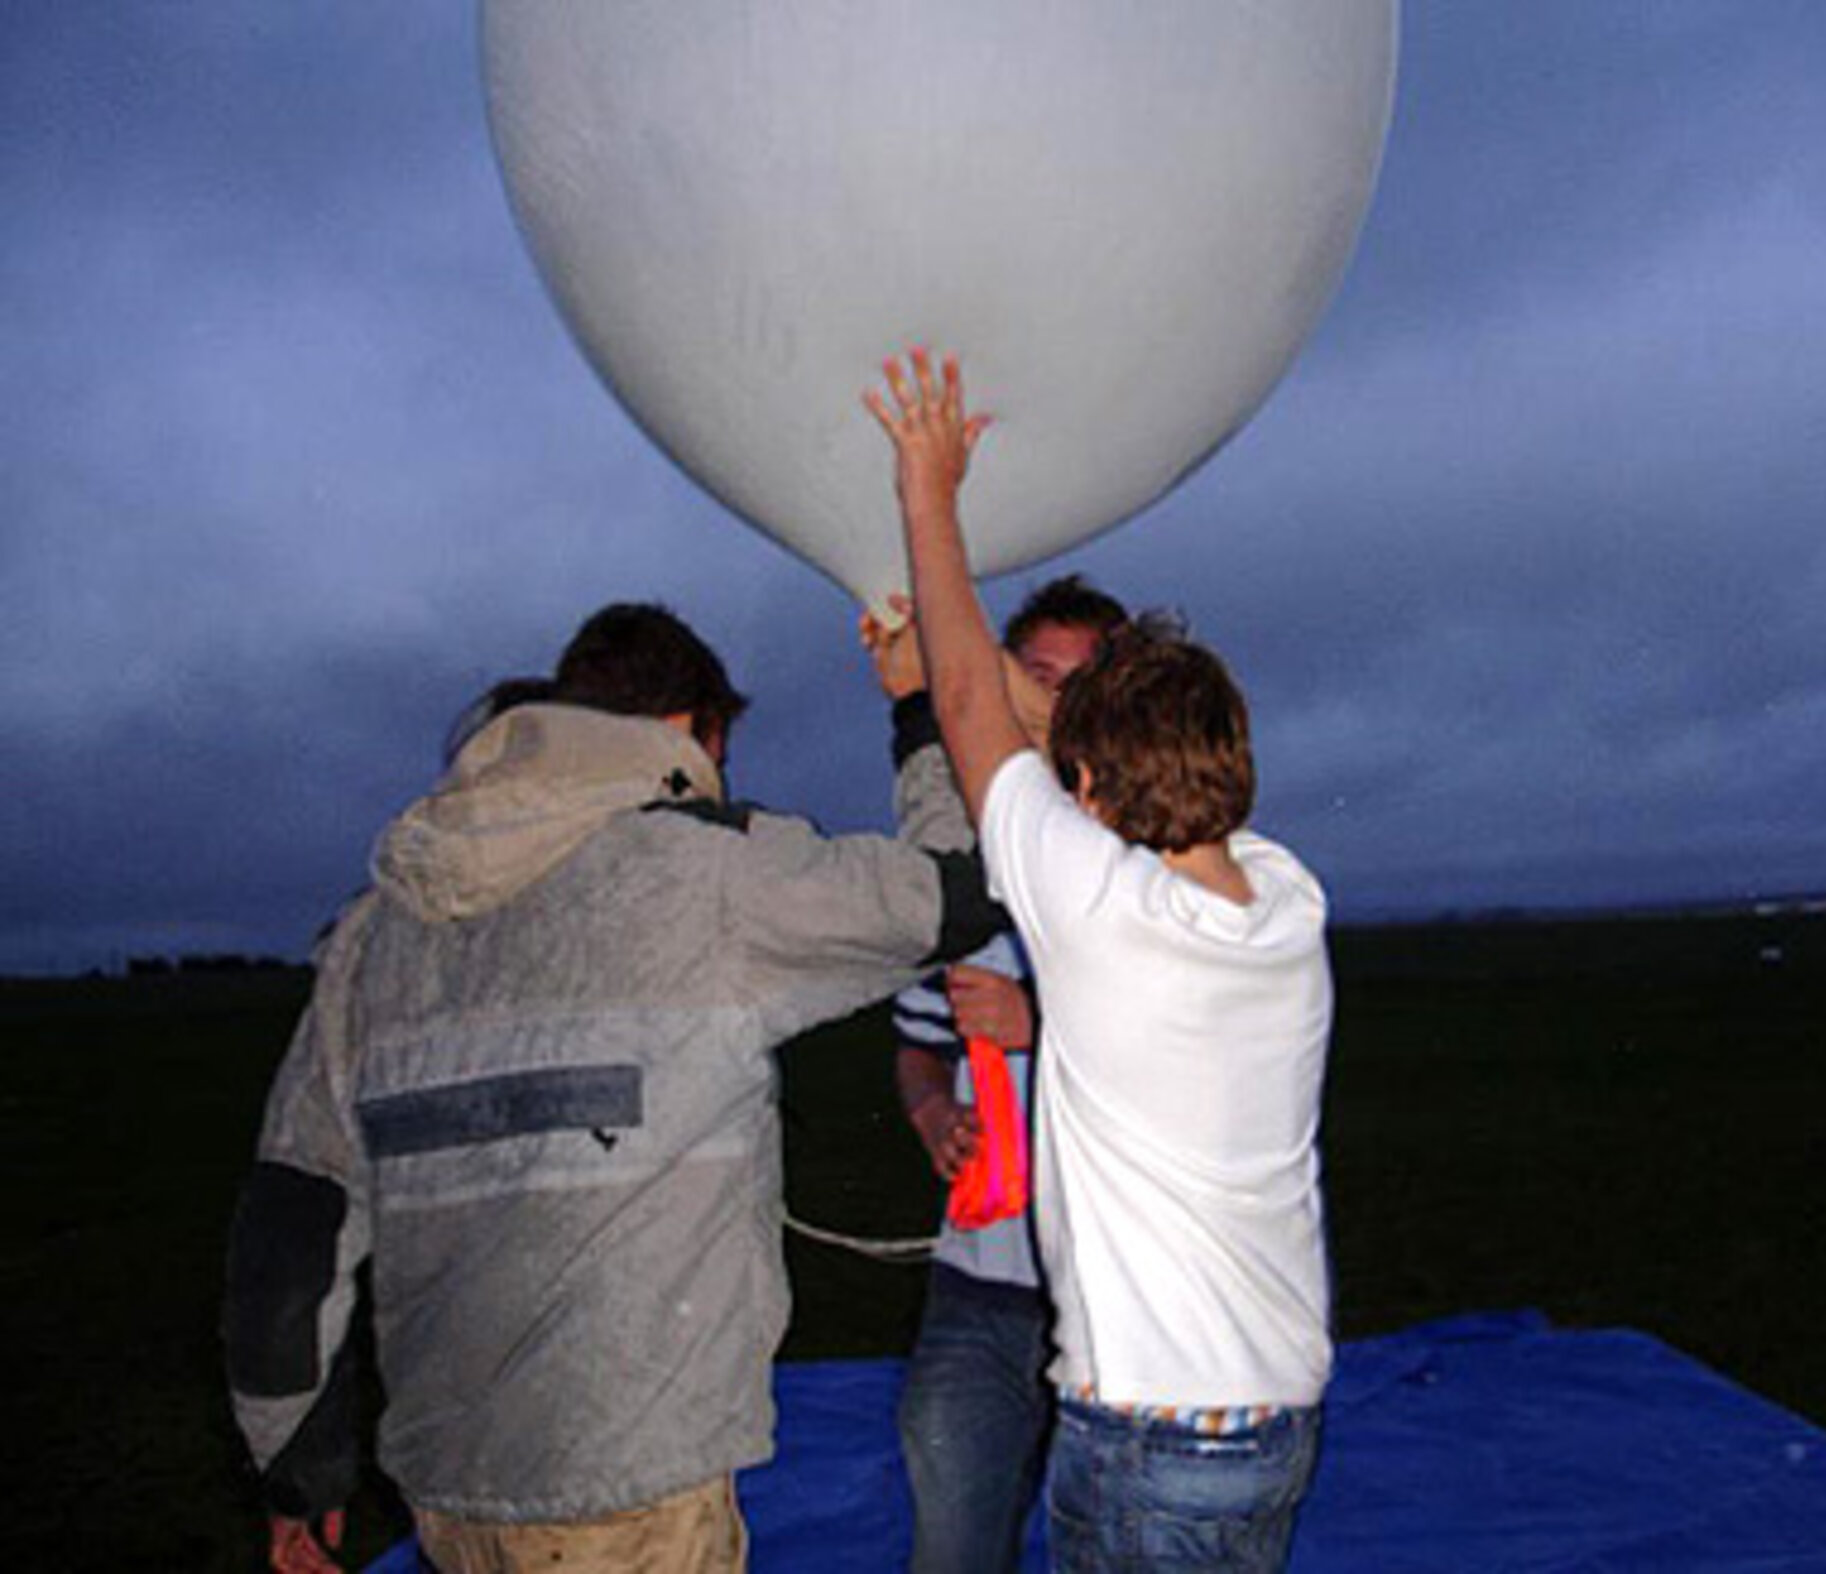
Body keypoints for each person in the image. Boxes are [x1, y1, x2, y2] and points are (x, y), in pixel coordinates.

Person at [223, 602, 1000, 1574]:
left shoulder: (373, 931)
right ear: (688, 732)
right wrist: (920, 703)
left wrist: (299, 1471)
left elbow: (292, 1232)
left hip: (451, 1497)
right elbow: (964, 883)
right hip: (635, 1495)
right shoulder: (699, 872)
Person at [865, 350, 1334, 1571]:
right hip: (1274, 1426)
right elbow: (1043, 732)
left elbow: (972, 710)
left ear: (1083, 789)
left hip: (1148, 1443)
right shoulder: (1283, 901)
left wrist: (929, 489)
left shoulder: (1100, 913)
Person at [878, 577, 1128, 1574]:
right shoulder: (971, 855)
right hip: (975, 1284)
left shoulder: (1152, 853)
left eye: (1086, 680)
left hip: (1112, 1295)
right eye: (1038, 677)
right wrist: (935, 1106)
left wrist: (1044, 1024)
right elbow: (918, 1039)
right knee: (952, 1543)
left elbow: (1200, 1041)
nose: (1059, 703)